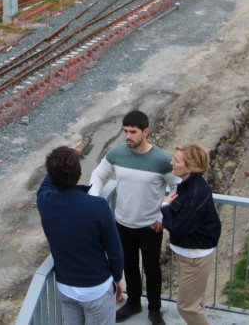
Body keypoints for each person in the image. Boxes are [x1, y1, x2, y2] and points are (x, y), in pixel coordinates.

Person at [89, 111, 180, 325]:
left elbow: (179, 187)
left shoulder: (162, 160)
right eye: (126, 131)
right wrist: (93, 201)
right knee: (129, 266)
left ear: (145, 131)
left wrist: (163, 217)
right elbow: (98, 175)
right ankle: (133, 303)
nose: (128, 136)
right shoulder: (116, 153)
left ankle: (155, 310)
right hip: (122, 224)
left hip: (150, 227)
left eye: (133, 132)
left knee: (152, 270)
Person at [37, 145, 124, 325]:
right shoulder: (97, 206)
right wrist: (117, 279)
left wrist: (58, 163)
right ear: (80, 173)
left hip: (66, 289)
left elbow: (45, 185)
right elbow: (115, 252)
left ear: (52, 174)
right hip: (96, 290)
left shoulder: (45, 202)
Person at [161, 143, 222, 325]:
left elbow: (179, 227)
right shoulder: (192, 185)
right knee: (196, 302)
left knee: (187, 307)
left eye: (176, 160)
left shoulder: (195, 193)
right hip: (194, 255)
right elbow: (183, 216)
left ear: (190, 167)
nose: (171, 163)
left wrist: (165, 207)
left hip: (195, 259)